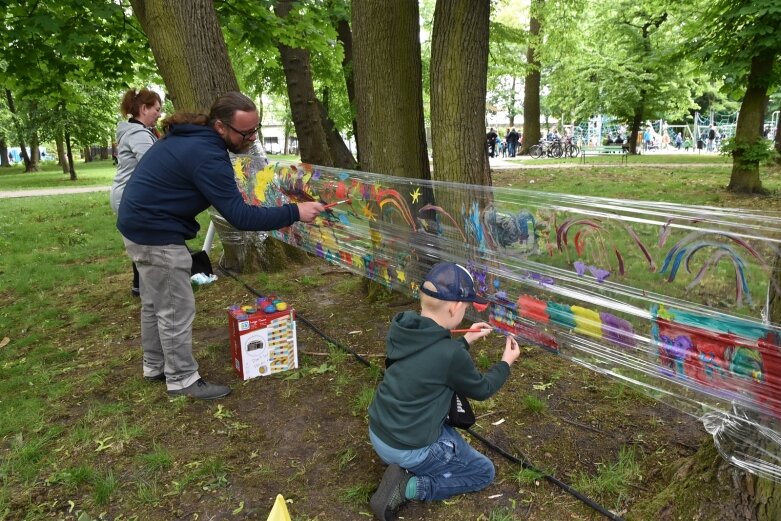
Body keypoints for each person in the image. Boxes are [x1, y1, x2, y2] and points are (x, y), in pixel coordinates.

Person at [117, 91, 324, 400]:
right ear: (220, 127)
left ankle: (155, 366)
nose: (252, 138)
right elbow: (239, 216)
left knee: (154, 300)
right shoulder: (207, 154)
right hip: (155, 233)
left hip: (137, 224)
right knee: (175, 308)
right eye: (246, 132)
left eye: (256, 129)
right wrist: (295, 212)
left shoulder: (193, 139)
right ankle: (182, 379)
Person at [368, 262, 521, 520]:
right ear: (455, 307)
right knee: (483, 472)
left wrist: (465, 340)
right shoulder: (449, 356)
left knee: (446, 433)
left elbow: (430, 360)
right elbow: (482, 389)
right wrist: (506, 362)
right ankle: (408, 487)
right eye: (467, 306)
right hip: (407, 447)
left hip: (379, 433)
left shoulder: (402, 327)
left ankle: (403, 466)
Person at [110, 88, 163, 297]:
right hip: (129, 196)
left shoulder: (136, 131)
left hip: (128, 194)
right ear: (144, 108)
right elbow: (153, 165)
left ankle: (140, 285)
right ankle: (143, 286)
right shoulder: (138, 134)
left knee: (140, 242)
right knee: (142, 242)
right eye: (156, 110)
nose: (159, 114)